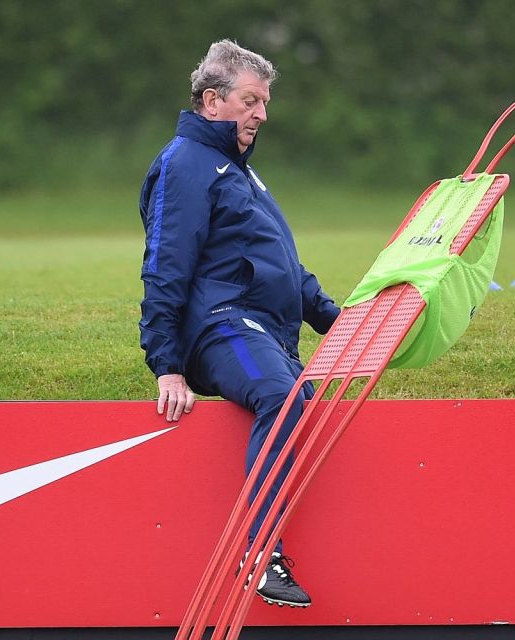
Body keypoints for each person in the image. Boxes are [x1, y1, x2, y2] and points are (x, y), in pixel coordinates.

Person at [138, 39, 340, 608]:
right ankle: (257, 553)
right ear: (212, 101)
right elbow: (163, 269)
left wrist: (336, 319)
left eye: (264, 102)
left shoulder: (241, 172)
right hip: (221, 326)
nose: (262, 113)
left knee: (299, 397)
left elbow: (283, 265)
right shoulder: (185, 164)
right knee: (282, 397)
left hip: (265, 331)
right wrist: (167, 366)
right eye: (251, 100)